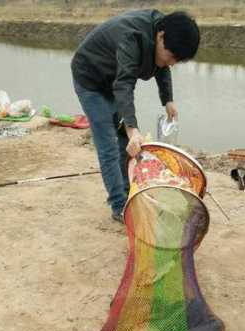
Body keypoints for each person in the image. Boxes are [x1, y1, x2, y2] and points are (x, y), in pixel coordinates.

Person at [71, 9, 200, 222]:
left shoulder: (163, 31)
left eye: (178, 59)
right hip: (91, 80)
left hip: (113, 80)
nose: (173, 63)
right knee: (110, 146)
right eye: (173, 56)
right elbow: (124, 84)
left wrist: (167, 99)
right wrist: (132, 128)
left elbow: (163, 66)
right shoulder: (131, 37)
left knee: (126, 143)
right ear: (160, 36)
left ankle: (128, 191)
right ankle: (120, 206)